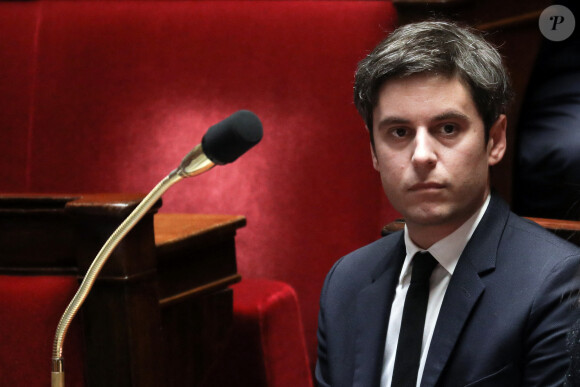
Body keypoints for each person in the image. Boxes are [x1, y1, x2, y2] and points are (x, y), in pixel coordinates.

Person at [316, 21, 580, 387]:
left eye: (448, 129)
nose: (422, 156)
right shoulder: (345, 282)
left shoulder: (555, 284)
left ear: (495, 140)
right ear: (373, 151)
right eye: (399, 132)